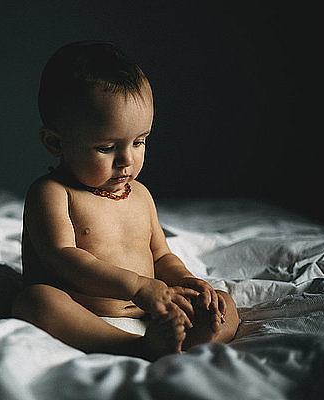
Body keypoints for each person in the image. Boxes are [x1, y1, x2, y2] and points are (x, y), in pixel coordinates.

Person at [12, 41, 239, 361]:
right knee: (35, 301)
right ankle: (132, 347)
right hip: (85, 313)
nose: (126, 160)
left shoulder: (141, 195)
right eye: (106, 148)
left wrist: (186, 281)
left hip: (154, 311)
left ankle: (196, 340)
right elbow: (62, 257)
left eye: (139, 142)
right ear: (55, 142)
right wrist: (137, 286)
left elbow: (161, 256)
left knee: (224, 301)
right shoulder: (52, 192)